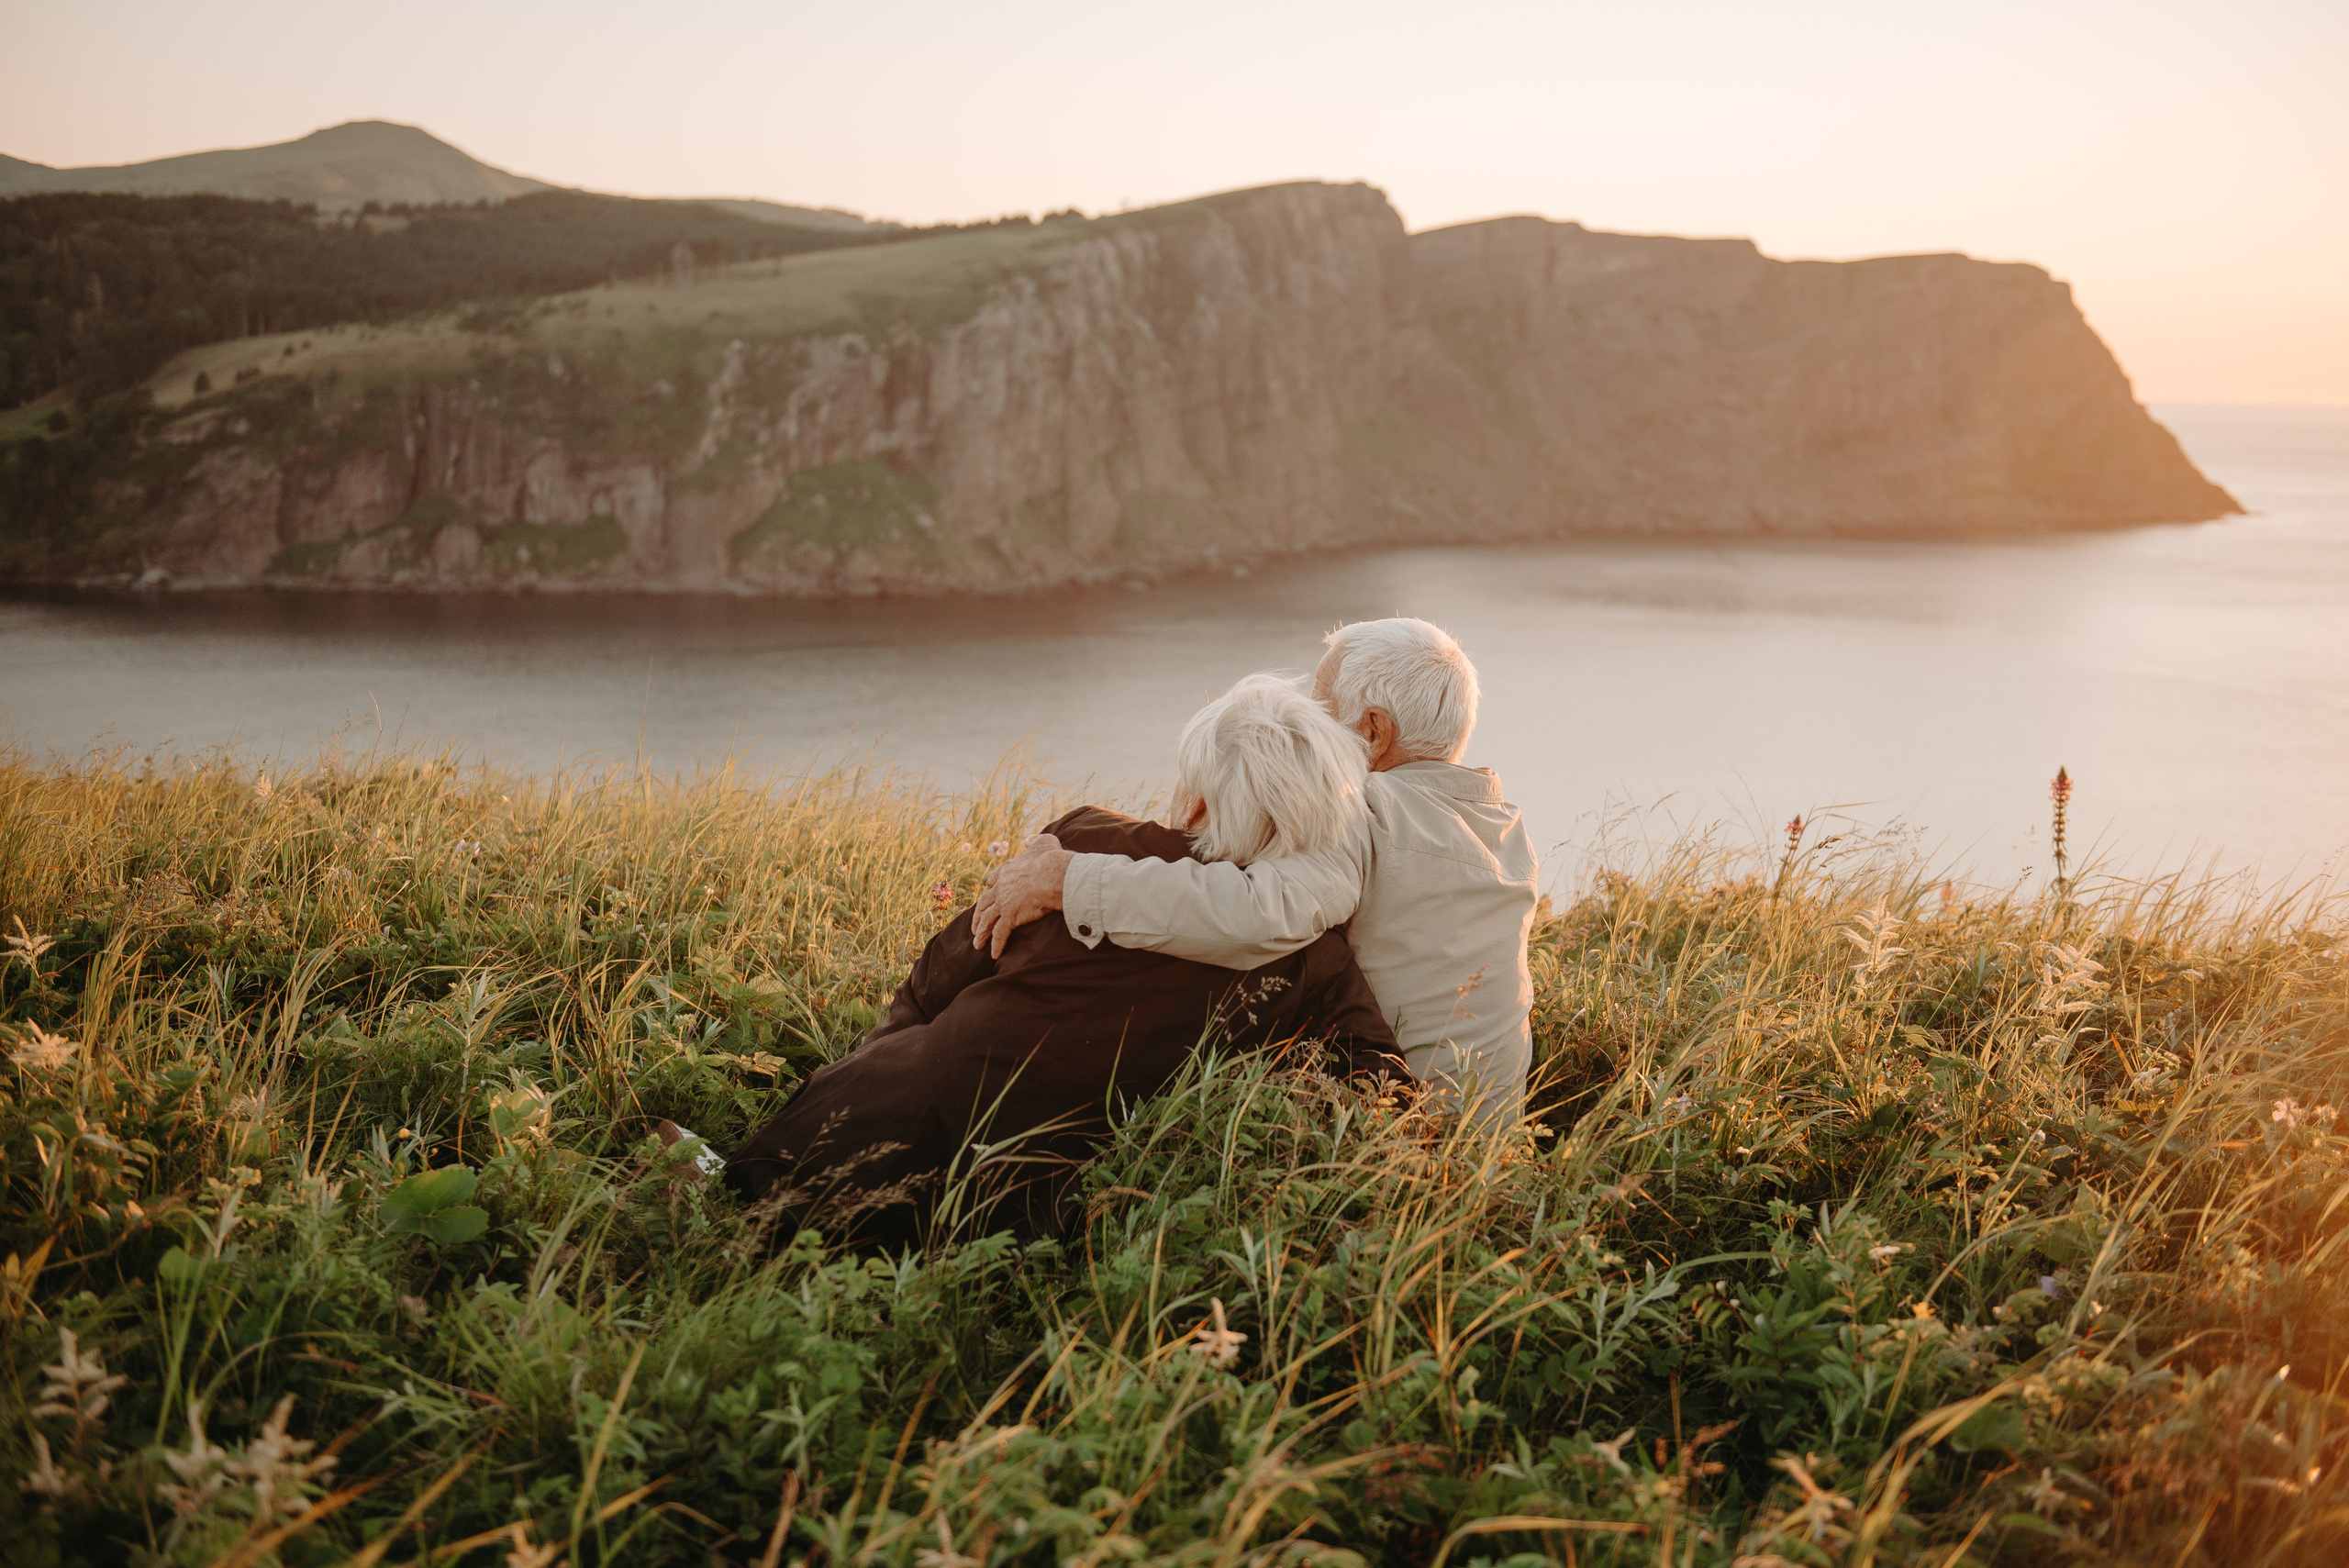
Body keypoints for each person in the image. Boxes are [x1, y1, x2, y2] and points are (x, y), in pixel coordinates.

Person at [718, 675, 1411, 1251]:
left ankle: (716, 1183)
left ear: (1197, 796)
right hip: (1029, 1220)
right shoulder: (1318, 961)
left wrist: (867, 1069)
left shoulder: (1082, 841)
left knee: (728, 1199)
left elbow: (940, 977)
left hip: (865, 1141)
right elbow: (1395, 1095)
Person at [974, 617, 1539, 1125]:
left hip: (1393, 1130)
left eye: (1320, 710)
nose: (1307, 728)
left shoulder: (1365, 813)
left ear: (1372, 732)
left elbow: (1256, 913)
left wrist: (1066, 881)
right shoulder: (1506, 833)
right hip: (1489, 1137)